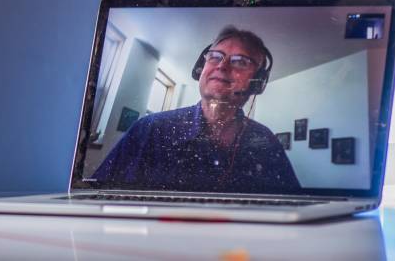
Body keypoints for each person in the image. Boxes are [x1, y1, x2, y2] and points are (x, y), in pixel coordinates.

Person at [92, 27, 300, 193]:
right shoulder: (149, 128)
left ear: (257, 82)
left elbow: (292, 209)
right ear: (201, 69)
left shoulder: (266, 142)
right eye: (215, 56)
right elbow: (96, 197)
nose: (222, 65)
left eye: (240, 61)